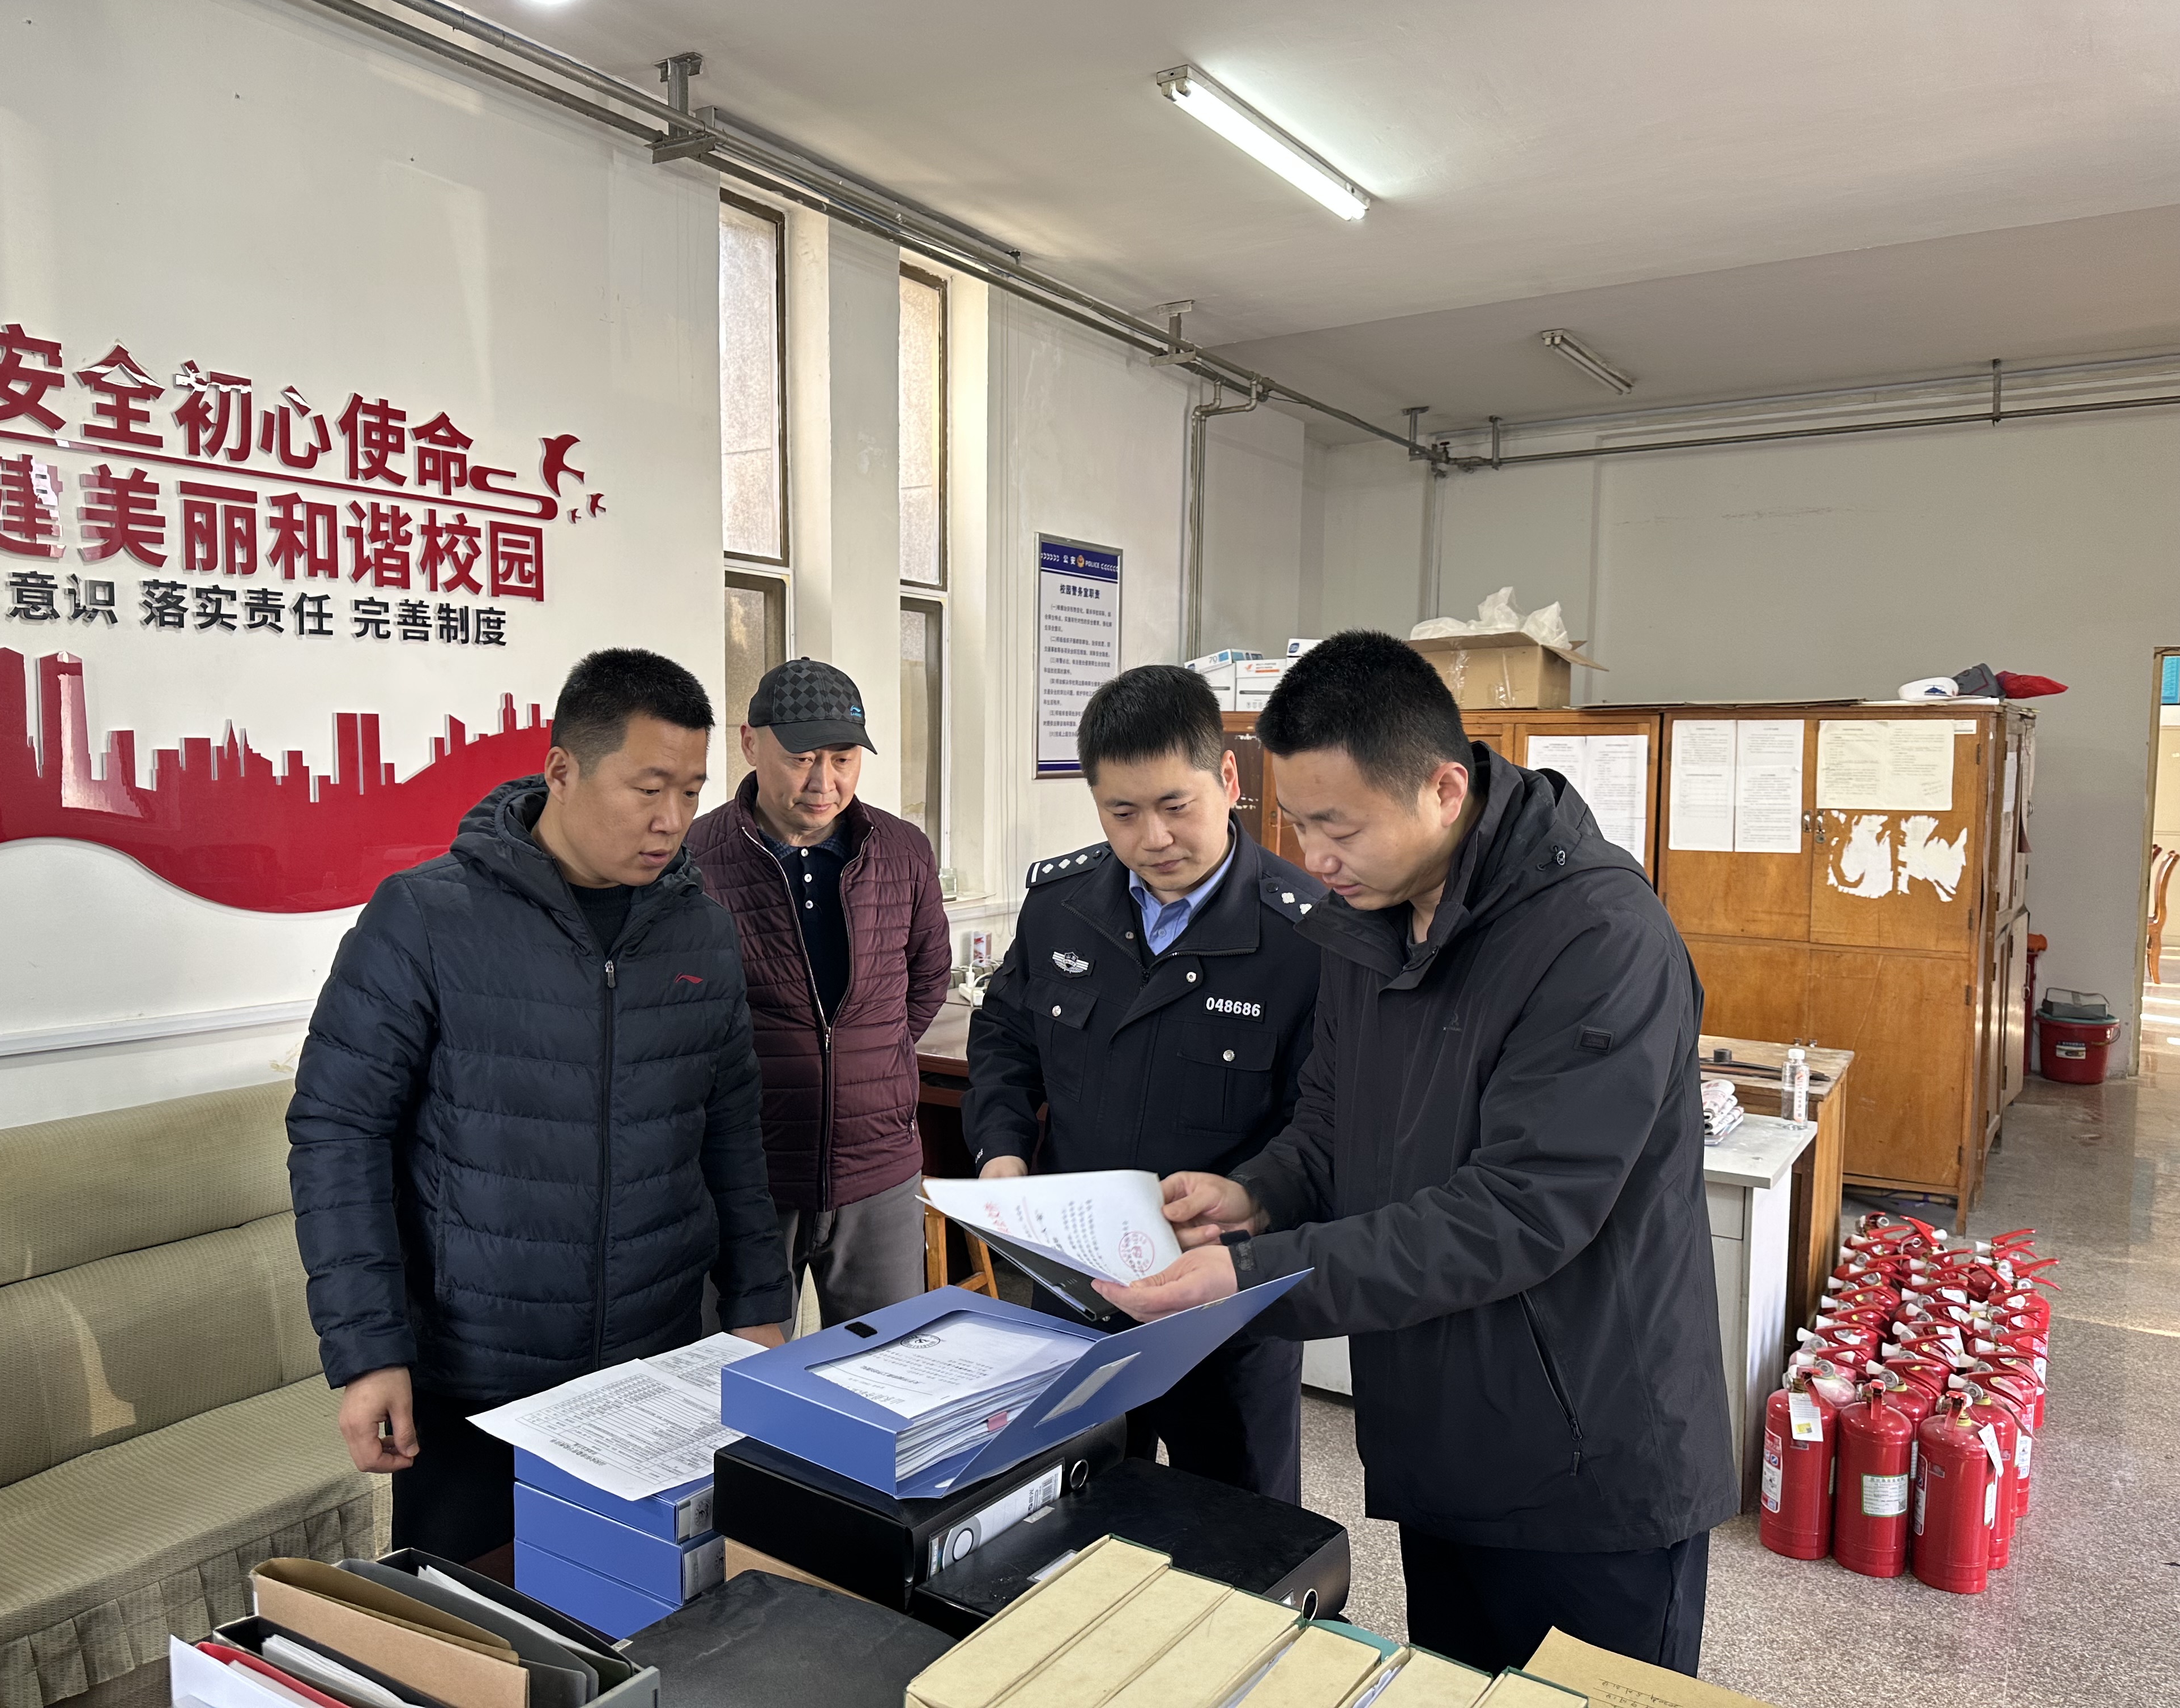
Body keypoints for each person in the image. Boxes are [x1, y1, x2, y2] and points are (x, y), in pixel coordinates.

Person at [1094, 630, 1735, 1676]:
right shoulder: (1369, 917)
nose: (1313, 857)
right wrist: (1256, 1194)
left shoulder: (1599, 938)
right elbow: (1332, 1120)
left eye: (1337, 826)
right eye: (1297, 824)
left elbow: (1517, 1211)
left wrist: (1252, 1277)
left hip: (1586, 1460)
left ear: (1443, 790)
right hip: (1441, 1437)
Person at [286, 648, 794, 1569]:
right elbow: (337, 1131)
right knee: (475, 1621)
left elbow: (729, 1131)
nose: (672, 820)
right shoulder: (426, 918)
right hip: (479, 1377)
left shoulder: (700, 931)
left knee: (652, 1609)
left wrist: (760, 1303)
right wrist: (367, 1350)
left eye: (690, 792)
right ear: (562, 770)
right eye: (648, 788)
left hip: (655, 1366)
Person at [963, 663, 1325, 1502]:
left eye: (1175, 805)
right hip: (1077, 1292)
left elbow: (1323, 1120)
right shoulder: (1060, 905)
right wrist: (1000, 1150)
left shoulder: (1306, 937)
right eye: (1122, 813)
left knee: (1232, 1531)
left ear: (1228, 778)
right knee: (1068, 1512)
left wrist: (1253, 1202)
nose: (1154, 837)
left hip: (1224, 1308)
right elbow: (1006, 1037)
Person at [685, 657, 952, 1328]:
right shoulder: (694, 859)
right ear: (751, 743)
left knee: (885, 1366)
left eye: (843, 759)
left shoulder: (904, 851)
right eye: (802, 759)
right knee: (735, 1367)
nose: (823, 783)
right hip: (746, 1174)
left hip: (879, 1168)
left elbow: (927, 979)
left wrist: (870, 1059)